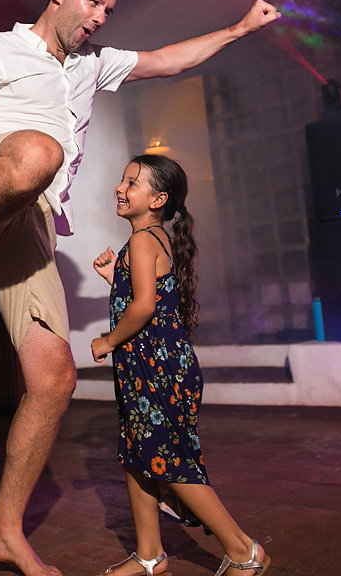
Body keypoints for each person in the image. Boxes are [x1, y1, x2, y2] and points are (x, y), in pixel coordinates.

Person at [0, 0, 279, 576]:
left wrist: (237, 30)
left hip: (31, 213)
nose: (98, 18)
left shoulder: (92, 68)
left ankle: (4, 532)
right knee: (37, 151)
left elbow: (167, 60)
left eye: (108, 11)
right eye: (93, 2)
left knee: (54, 380)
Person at [90, 155, 269, 576]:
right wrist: (111, 276)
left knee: (170, 461)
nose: (120, 187)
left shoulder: (141, 240)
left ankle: (244, 551)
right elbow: (150, 299)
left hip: (156, 368)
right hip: (155, 366)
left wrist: (107, 340)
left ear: (158, 198)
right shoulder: (153, 238)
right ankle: (150, 555)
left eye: (132, 183)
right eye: (122, 179)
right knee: (137, 456)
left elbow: (144, 307)